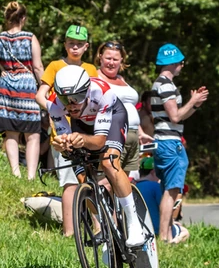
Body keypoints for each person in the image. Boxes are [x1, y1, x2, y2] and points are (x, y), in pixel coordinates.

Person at [49, 65, 146, 247]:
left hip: (113, 117)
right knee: (83, 178)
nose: (71, 104)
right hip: (82, 124)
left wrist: (81, 140)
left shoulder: (102, 92)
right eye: (65, 99)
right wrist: (62, 146)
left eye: (77, 97)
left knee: (109, 162)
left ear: (86, 91)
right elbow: (66, 145)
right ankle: (105, 226)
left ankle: (133, 223)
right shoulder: (55, 105)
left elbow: (100, 142)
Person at [34, 24, 96, 237]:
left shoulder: (91, 69)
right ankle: (69, 231)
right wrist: (55, 111)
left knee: (90, 179)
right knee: (70, 181)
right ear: (65, 44)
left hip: (86, 132)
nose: (75, 47)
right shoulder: (55, 66)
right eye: (71, 43)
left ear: (86, 46)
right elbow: (40, 94)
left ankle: (98, 226)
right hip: (63, 133)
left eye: (79, 44)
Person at [0, 2, 44, 179]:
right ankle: (31, 176)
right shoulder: (30, 38)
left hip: (6, 86)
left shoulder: (0, 37)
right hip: (26, 87)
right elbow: (37, 67)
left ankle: (15, 172)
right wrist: (44, 86)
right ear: (23, 18)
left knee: (11, 132)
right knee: (32, 134)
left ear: (7, 18)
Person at [150, 43, 208, 242]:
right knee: (171, 191)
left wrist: (195, 105)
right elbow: (175, 116)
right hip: (169, 143)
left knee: (169, 189)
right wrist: (192, 101)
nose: (182, 66)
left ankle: (166, 236)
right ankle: (164, 238)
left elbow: (178, 118)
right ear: (174, 62)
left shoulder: (163, 84)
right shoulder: (165, 85)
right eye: (181, 62)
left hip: (164, 141)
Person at [95, 41, 150, 178]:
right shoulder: (95, 77)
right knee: (108, 179)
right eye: (108, 58)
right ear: (100, 57)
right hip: (113, 134)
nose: (111, 63)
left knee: (125, 181)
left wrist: (141, 133)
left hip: (133, 135)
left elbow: (130, 108)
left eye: (115, 59)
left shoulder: (121, 78)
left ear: (121, 60)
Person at [135, 156, 162, 233]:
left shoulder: (133, 187)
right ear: (153, 172)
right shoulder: (156, 186)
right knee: (184, 231)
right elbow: (163, 209)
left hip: (138, 230)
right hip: (156, 230)